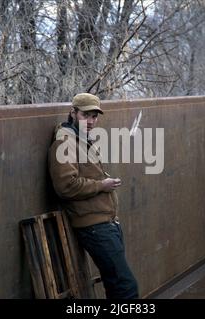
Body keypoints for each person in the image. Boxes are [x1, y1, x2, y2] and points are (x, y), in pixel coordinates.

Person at [48, 92, 139, 299]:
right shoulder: (65, 142)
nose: (91, 121)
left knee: (115, 284)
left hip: (107, 223)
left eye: (94, 117)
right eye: (85, 115)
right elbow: (66, 186)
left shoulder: (81, 140)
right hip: (95, 228)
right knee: (126, 287)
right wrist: (101, 185)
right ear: (73, 113)